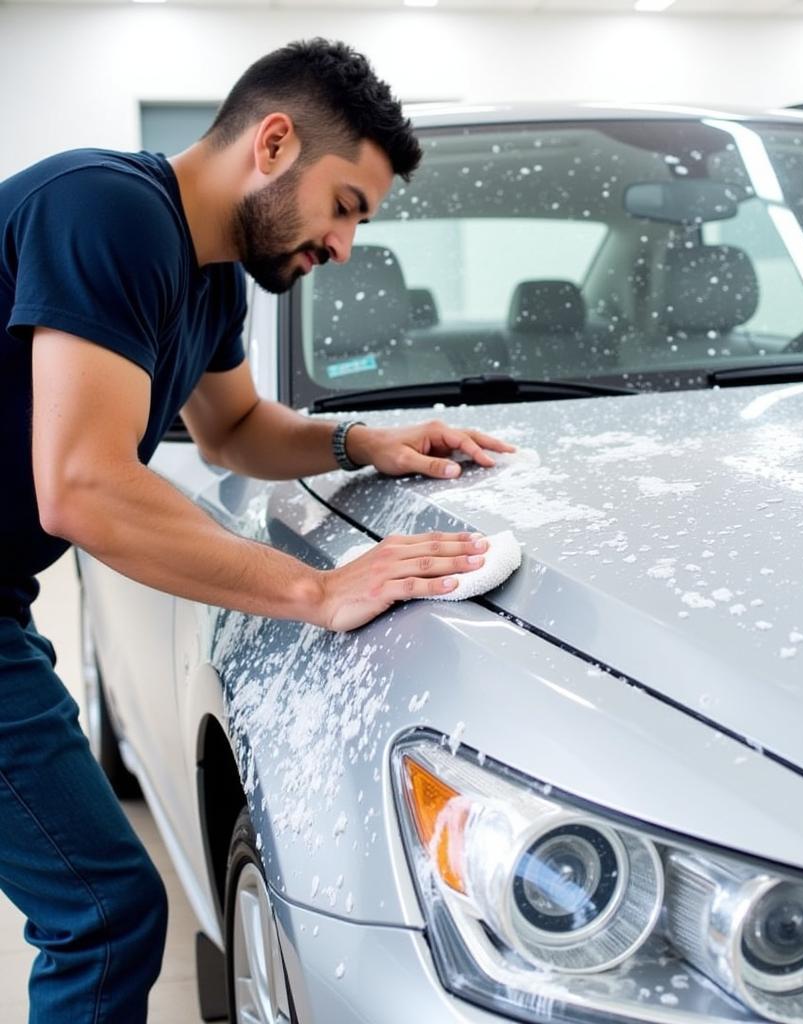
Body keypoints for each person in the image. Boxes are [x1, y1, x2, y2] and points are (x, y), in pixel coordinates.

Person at [0, 37, 514, 1021]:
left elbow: (231, 429)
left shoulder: (207, 275)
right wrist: (319, 589)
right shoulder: (105, 211)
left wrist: (367, 441)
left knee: (96, 900)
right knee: (102, 907)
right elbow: (81, 486)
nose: (344, 250)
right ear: (274, 143)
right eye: (345, 209)